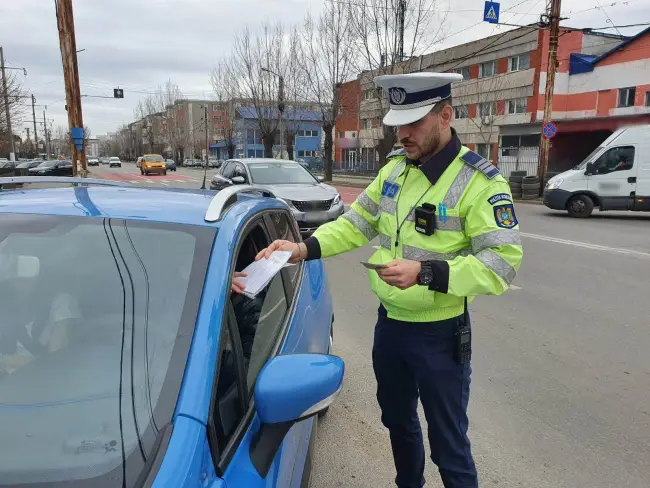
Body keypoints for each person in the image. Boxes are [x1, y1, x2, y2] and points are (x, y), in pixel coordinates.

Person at [247, 72, 523, 488]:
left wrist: (426, 272)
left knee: (449, 443)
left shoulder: (480, 182)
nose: (403, 134)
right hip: (391, 327)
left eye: (414, 124)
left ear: (446, 115)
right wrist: (302, 247)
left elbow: (501, 263)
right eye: (398, 124)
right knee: (396, 421)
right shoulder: (395, 169)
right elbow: (357, 224)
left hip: (440, 334)